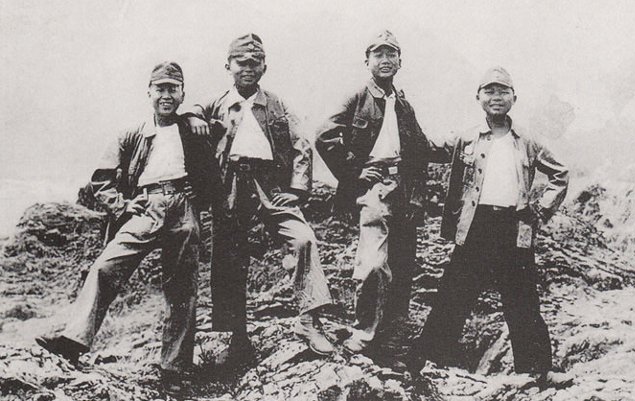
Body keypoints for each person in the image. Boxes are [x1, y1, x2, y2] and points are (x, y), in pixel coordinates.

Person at [36, 62, 217, 386]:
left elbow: (213, 169)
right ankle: (74, 341)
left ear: (182, 94)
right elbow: (101, 179)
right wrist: (123, 205)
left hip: (182, 208)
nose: (166, 95)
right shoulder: (132, 134)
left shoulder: (192, 130)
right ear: (149, 92)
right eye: (160, 89)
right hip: (145, 208)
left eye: (172, 89)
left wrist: (199, 196)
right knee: (105, 267)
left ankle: (174, 370)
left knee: (182, 289)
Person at [407, 66, 572, 386]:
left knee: (523, 299)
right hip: (476, 226)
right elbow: (428, 148)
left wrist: (540, 210)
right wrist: (404, 115)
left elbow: (560, 174)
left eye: (503, 91)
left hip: (514, 226)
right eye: (490, 91)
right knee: (454, 294)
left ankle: (538, 370)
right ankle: (426, 362)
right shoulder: (466, 137)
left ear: (514, 98)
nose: (496, 97)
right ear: (478, 97)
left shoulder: (527, 140)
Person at [185, 33, 334, 362]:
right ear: (228, 65)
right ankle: (234, 338)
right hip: (229, 187)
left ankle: (309, 321)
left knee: (303, 239)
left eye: (255, 63)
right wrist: (194, 117)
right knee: (228, 259)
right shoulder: (216, 103)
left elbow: (302, 145)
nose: (248, 68)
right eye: (241, 62)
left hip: (270, 187)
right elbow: (192, 113)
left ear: (265, 66)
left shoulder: (278, 106)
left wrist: (297, 190)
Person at [315, 30, 431, 357]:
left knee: (403, 266)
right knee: (374, 264)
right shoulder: (356, 99)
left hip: (403, 189)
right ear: (367, 61)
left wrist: (417, 197)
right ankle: (364, 333)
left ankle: (392, 339)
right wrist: (355, 174)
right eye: (378, 54)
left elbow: (419, 152)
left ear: (400, 62)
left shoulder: (404, 105)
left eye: (391, 54)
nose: (385, 60)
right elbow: (324, 137)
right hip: (374, 189)